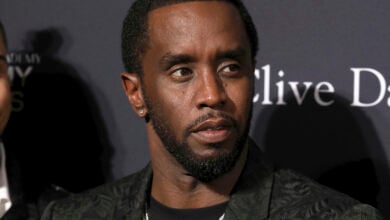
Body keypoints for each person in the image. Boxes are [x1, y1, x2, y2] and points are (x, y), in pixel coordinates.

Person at [41, 0, 383, 219]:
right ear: (136, 93)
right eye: (182, 72)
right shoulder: (73, 216)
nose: (212, 94)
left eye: (230, 67)